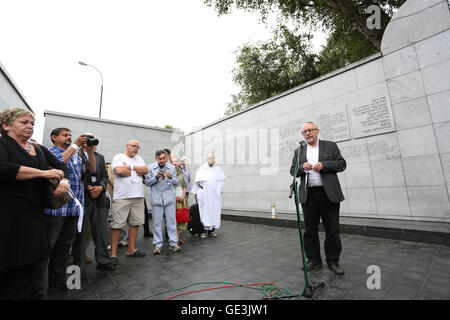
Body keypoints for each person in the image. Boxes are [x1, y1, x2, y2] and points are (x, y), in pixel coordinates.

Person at [0, 107, 69, 299]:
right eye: (24, 122)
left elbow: (61, 166)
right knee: (10, 261)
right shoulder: (3, 144)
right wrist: (42, 173)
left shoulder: (37, 148)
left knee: (30, 262)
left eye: (32, 123)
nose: (30, 126)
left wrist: (64, 181)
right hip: (9, 214)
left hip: (34, 213)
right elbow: (3, 168)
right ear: (6, 125)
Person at [290, 121, 346, 275]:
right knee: (309, 231)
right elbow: (293, 170)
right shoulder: (299, 151)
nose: (307, 133)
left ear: (317, 131)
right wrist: (302, 167)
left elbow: (341, 164)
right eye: (304, 132)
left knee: (332, 230)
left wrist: (324, 165)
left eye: (310, 130)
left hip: (328, 194)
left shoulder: (330, 146)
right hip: (309, 195)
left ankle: (333, 261)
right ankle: (314, 260)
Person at [45, 128, 95, 290]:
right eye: (65, 135)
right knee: (48, 246)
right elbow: (58, 163)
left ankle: (57, 282)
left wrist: (90, 151)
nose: (69, 138)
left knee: (64, 246)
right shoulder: (48, 151)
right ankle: (39, 282)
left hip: (74, 208)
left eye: (70, 136)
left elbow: (92, 171)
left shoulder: (77, 155)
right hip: (57, 208)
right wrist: (75, 145)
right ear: (54, 137)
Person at [72, 144, 115, 272]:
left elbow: (104, 176)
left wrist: (101, 187)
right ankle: (78, 265)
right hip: (83, 198)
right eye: (89, 140)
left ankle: (103, 261)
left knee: (101, 232)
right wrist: (87, 187)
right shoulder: (75, 156)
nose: (92, 144)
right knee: (81, 233)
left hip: (99, 198)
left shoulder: (100, 157)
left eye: (94, 142)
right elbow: (75, 175)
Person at [110, 140, 148, 263]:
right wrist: (137, 171)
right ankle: (113, 254)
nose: (135, 148)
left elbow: (145, 171)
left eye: (137, 147)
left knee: (135, 223)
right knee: (116, 225)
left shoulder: (139, 158)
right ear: (127, 146)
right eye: (133, 146)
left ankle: (131, 249)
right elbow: (119, 171)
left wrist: (130, 167)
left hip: (138, 196)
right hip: (122, 197)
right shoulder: (118, 157)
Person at [145, 150, 180, 254]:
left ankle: (173, 243)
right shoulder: (150, 167)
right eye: (160, 158)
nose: (162, 160)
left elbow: (176, 182)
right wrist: (156, 177)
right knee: (157, 223)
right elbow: (147, 183)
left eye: (164, 158)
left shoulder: (172, 168)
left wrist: (170, 177)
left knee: (171, 222)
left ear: (167, 158)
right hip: (156, 199)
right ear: (156, 158)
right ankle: (158, 245)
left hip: (169, 199)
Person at [191, 154, 226, 239]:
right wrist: (196, 193)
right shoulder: (202, 169)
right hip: (204, 194)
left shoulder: (218, 169)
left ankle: (211, 231)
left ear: (214, 159)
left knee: (214, 211)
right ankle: (202, 231)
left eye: (212, 158)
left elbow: (221, 181)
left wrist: (219, 190)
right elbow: (197, 182)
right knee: (203, 212)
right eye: (209, 158)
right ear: (206, 159)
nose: (211, 160)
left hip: (214, 195)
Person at [106, 162, 128, 247]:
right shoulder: (111, 168)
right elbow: (114, 182)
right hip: (113, 197)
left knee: (121, 220)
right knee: (111, 220)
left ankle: (120, 239)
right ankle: (111, 242)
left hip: (121, 198)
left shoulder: (124, 169)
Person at [171, 155, 188, 245]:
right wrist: (175, 197)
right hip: (171, 198)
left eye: (176, 161)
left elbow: (184, 186)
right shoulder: (169, 173)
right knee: (172, 218)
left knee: (180, 218)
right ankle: (172, 238)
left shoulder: (182, 174)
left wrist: (182, 196)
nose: (175, 163)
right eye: (173, 161)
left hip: (181, 198)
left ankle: (177, 238)